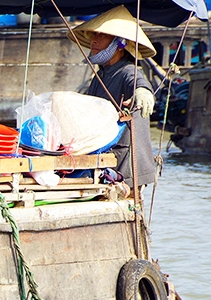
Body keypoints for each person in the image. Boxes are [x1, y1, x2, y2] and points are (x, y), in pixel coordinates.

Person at [69, 5, 157, 187]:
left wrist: (143, 92)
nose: (94, 40)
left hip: (127, 163)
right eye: (93, 35)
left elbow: (139, 84)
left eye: (101, 35)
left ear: (119, 44)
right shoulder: (100, 76)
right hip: (104, 156)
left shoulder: (128, 72)